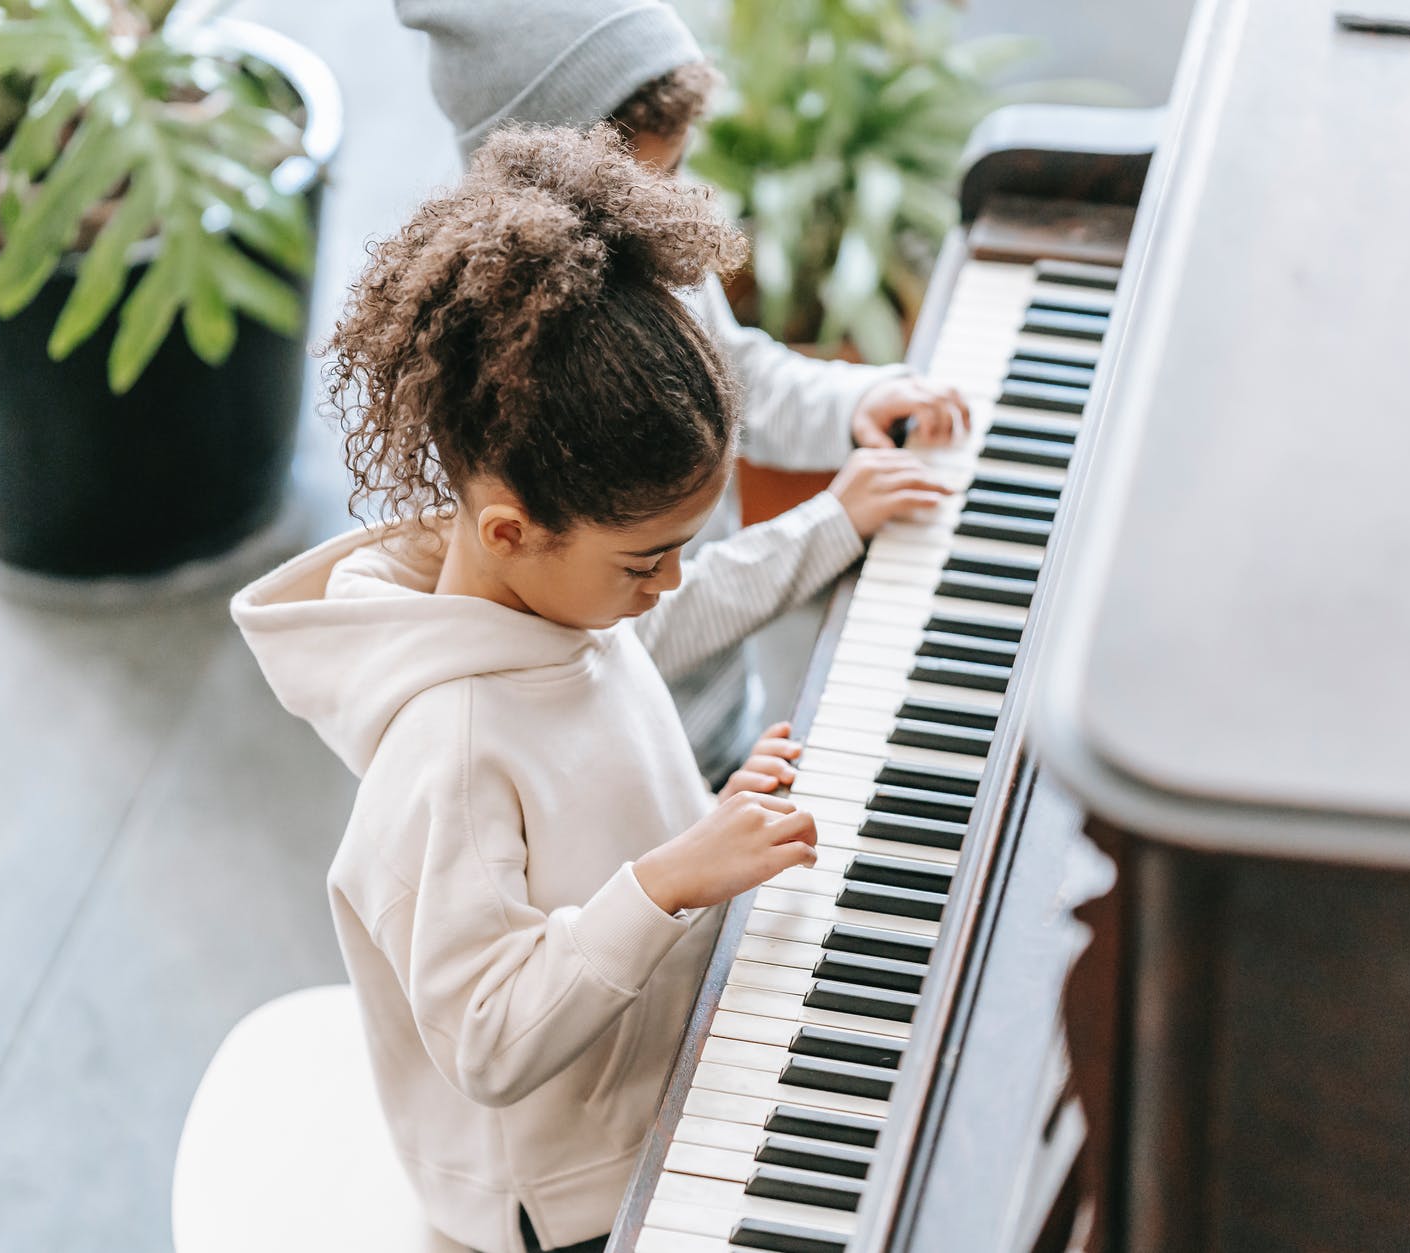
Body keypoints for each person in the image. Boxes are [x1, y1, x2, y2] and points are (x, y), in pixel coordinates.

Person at [232, 126, 945, 1253]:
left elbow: (671, 628)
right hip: (567, 1199)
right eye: (642, 560)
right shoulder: (453, 747)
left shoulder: (554, 602)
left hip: (653, 1061)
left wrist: (833, 519)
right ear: (512, 531)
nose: (666, 584)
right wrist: (671, 877)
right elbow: (487, 1035)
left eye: (676, 548)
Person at [394, 0, 972, 782]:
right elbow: (625, 631)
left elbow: (739, 375)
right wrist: (832, 524)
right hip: (629, 769)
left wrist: (851, 405)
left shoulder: (640, 238)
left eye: (672, 171)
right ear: (543, 165)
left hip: (717, 710)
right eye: (645, 175)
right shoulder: (512, 373)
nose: (663, 198)